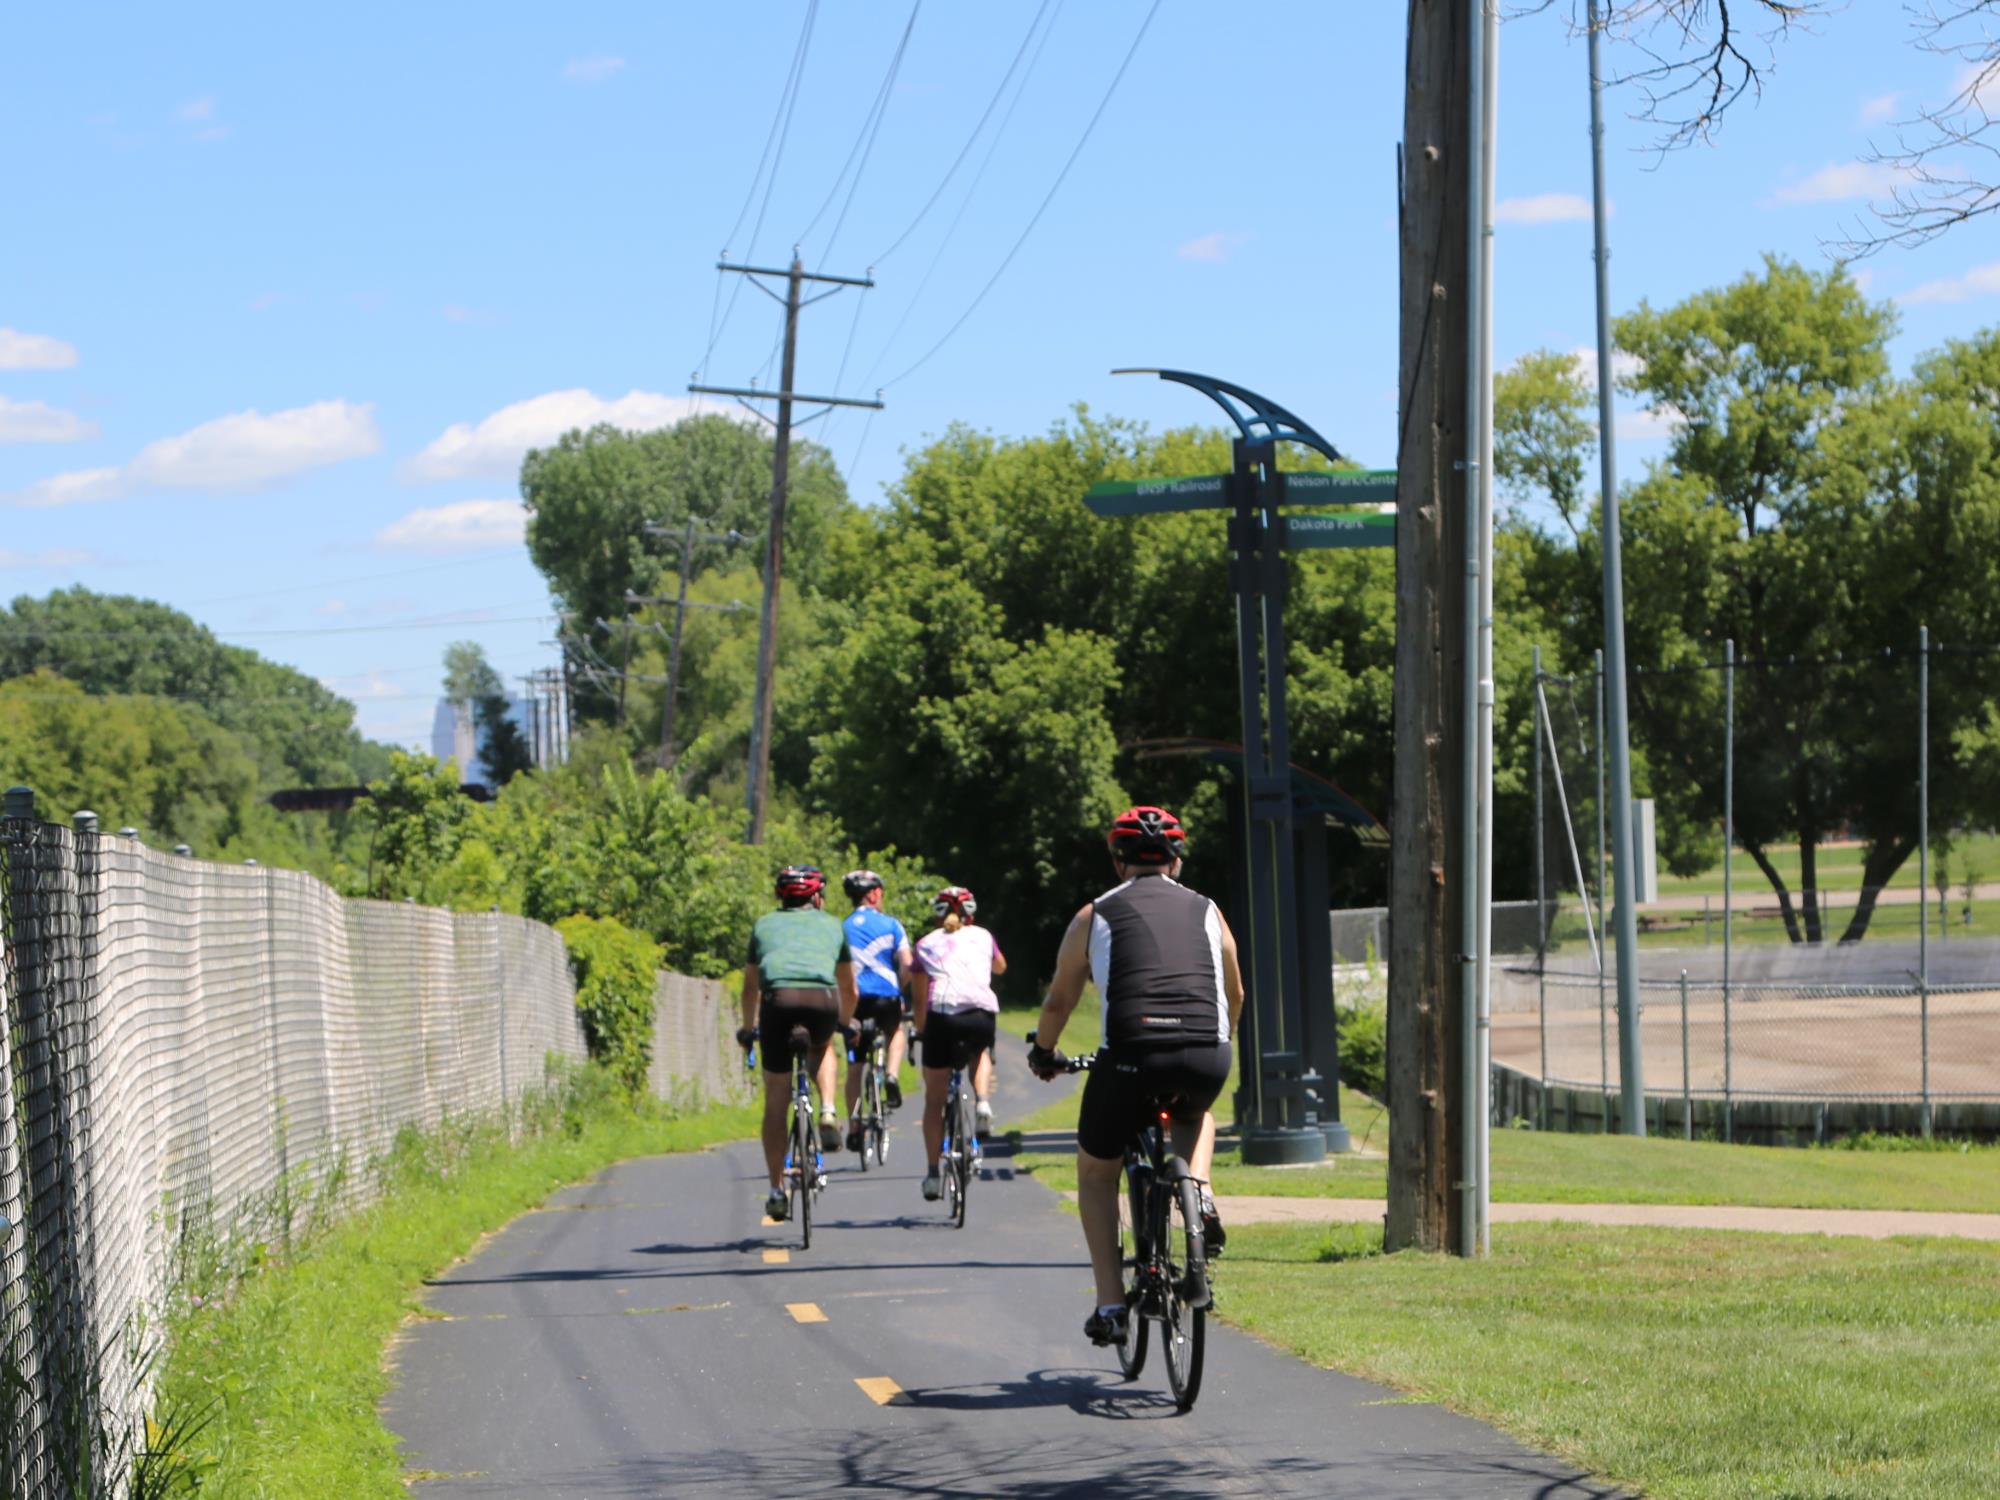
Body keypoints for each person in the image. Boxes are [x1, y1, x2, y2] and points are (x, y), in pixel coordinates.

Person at [1027, 806, 1243, 1349]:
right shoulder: (1208, 909)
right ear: (1176, 857)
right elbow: (1234, 993)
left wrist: (1044, 1053)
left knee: (1097, 1174)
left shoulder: (1094, 915)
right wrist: (1220, 1041)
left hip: (1130, 1057)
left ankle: (1110, 1304)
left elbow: (1059, 999)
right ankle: (1201, 1191)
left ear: (1118, 859)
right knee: (1197, 1112)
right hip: (1205, 1055)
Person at [735, 864, 859, 1222]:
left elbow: (749, 988)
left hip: (779, 1001)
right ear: (817, 897)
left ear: (780, 896)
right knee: (823, 1049)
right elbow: (849, 988)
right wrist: (845, 1023)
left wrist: (748, 1029)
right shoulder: (834, 925)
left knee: (776, 1099)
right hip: (822, 1000)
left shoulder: (764, 925)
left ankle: (776, 1190)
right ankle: (828, 1111)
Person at [910, 885, 1005, 1201]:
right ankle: (982, 1101)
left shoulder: (925, 944)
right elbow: (1000, 967)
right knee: (980, 1052)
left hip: (943, 1016)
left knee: (934, 1102)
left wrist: (921, 1029)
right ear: (970, 914)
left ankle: (933, 1174)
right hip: (980, 1013)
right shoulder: (982, 936)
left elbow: (920, 995)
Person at [840, 868, 913, 1151]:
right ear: (872, 894)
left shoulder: (842, 927)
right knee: (897, 1030)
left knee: (855, 1065)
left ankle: (855, 1127)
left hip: (855, 1000)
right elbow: (907, 964)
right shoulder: (892, 925)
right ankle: (892, 1074)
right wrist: (900, 989)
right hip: (885, 996)